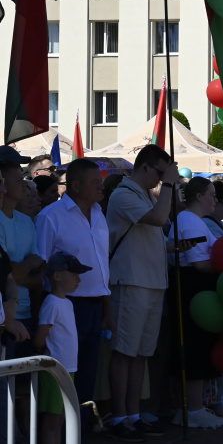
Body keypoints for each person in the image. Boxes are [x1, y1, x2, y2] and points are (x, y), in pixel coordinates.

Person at [105, 144, 178, 440]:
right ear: (145, 166)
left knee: (140, 355)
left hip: (152, 281)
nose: (162, 179)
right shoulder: (124, 194)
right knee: (124, 352)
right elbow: (159, 219)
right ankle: (119, 416)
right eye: (160, 172)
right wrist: (171, 185)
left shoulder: (147, 194)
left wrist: (175, 246)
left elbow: (155, 235)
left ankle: (133, 415)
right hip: (130, 281)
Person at [34, 159, 111, 431]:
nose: (101, 186)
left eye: (101, 181)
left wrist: (106, 307)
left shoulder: (100, 214)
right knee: (65, 373)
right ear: (75, 185)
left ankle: (80, 430)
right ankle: (61, 431)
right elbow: (40, 265)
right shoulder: (50, 216)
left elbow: (102, 264)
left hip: (94, 305)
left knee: (88, 371)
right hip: (64, 306)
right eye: (95, 182)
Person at [164, 178, 223, 427]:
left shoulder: (195, 220)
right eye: (212, 194)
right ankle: (192, 408)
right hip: (191, 288)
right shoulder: (190, 220)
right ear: (199, 196)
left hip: (197, 289)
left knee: (198, 347)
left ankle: (192, 407)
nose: (215, 199)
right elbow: (199, 262)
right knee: (193, 347)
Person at [34, 252, 90, 444]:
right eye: (74, 274)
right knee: (52, 419)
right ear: (57, 276)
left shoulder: (67, 303)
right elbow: (40, 338)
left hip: (68, 370)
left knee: (60, 418)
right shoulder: (51, 303)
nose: (78, 279)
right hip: (54, 371)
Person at [0, 162, 44, 360]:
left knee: (22, 386)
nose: (25, 185)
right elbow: (11, 273)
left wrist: (18, 271)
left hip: (25, 314)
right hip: (4, 317)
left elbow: (38, 269)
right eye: (18, 179)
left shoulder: (26, 221)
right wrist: (26, 266)